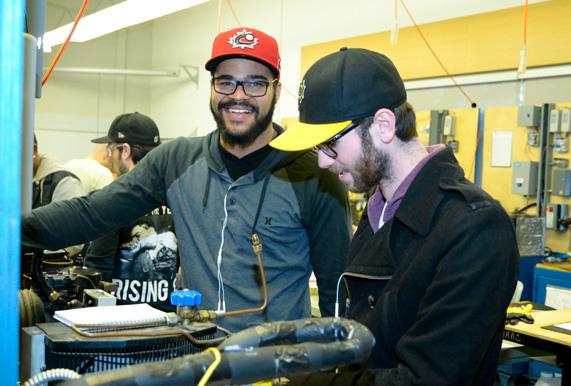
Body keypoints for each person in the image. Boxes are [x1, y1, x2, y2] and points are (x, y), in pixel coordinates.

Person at [21, 27, 351, 332]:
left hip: (276, 367)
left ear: (277, 90)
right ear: (212, 87)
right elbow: (92, 213)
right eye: (226, 82)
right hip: (196, 360)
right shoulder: (176, 161)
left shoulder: (314, 176)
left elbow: (338, 295)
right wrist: (12, 231)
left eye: (255, 83)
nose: (238, 95)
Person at [270, 48, 519, 385]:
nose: (323, 162)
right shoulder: (378, 213)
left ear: (384, 125)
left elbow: (428, 379)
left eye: (329, 144)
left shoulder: (474, 227)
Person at [82, 112, 178, 311]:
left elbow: (97, 269)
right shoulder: (176, 196)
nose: (110, 158)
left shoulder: (114, 200)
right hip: (168, 321)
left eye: (111, 150)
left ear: (125, 150)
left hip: (122, 322)